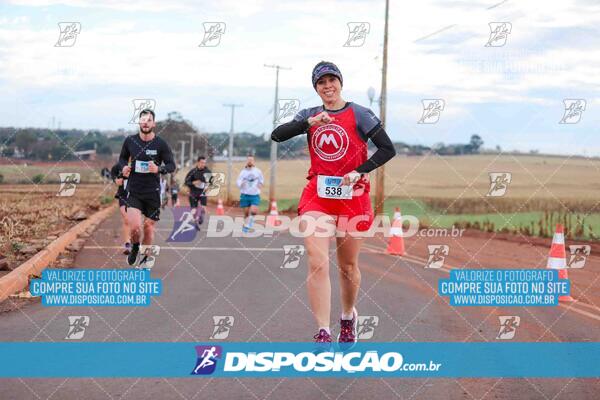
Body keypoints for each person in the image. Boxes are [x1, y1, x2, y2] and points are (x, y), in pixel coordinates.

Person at [271, 61, 396, 345]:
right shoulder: (310, 114)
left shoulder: (360, 114)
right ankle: (323, 331)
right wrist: (308, 123)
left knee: (348, 266)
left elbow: (389, 149)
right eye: (321, 82)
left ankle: (348, 315)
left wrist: (360, 171)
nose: (327, 86)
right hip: (318, 196)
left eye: (332, 80)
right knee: (317, 261)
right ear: (315, 88)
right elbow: (277, 135)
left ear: (340, 82)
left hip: (353, 197)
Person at [118, 109, 176, 267]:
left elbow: (171, 165)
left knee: (149, 228)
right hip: (134, 191)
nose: (145, 123)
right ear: (139, 123)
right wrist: (123, 167)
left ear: (153, 124)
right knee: (136, 228)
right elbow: (122, 159)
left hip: (153, 192)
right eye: (143, 120)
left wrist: (159, 169)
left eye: (149, 120)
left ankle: (144, 259)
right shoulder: (130, 141)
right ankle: (135, 246)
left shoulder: (160, 144)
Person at [236, 155, 264, 232]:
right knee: (246, 213)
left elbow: (261, 180)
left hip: (255, 195)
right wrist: (241, 184)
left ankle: (250, 222)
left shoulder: (258, 171)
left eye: (251, 160)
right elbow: (238, 182)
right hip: (245, 195)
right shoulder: (243, 172)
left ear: (254, 162)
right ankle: (246, 225)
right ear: (246, 161)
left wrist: (260, 184)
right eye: (249, 160)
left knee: (254, 211)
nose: (250, 161)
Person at [184, 156, 211, 227]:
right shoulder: (193, 172)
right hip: (193, 191)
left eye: (204, 163)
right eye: (202, 162)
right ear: (198, 162)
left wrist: (208, 186)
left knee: (203, 208)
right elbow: (186, 182)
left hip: (203, 191)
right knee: (194, 210)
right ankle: (195, 221)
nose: (203, 164)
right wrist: (193, 183)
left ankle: (201, 216)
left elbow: (211, 182)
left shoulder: (207, 172)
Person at [110, 163, 130, 255]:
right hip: (123, 195)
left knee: (133, 222)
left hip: (138, 195)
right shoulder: (120, 165)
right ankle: (127, 245)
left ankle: (133, 240)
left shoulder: (141, 162)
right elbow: (113, 172)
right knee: (126, 218)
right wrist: (116, 180)